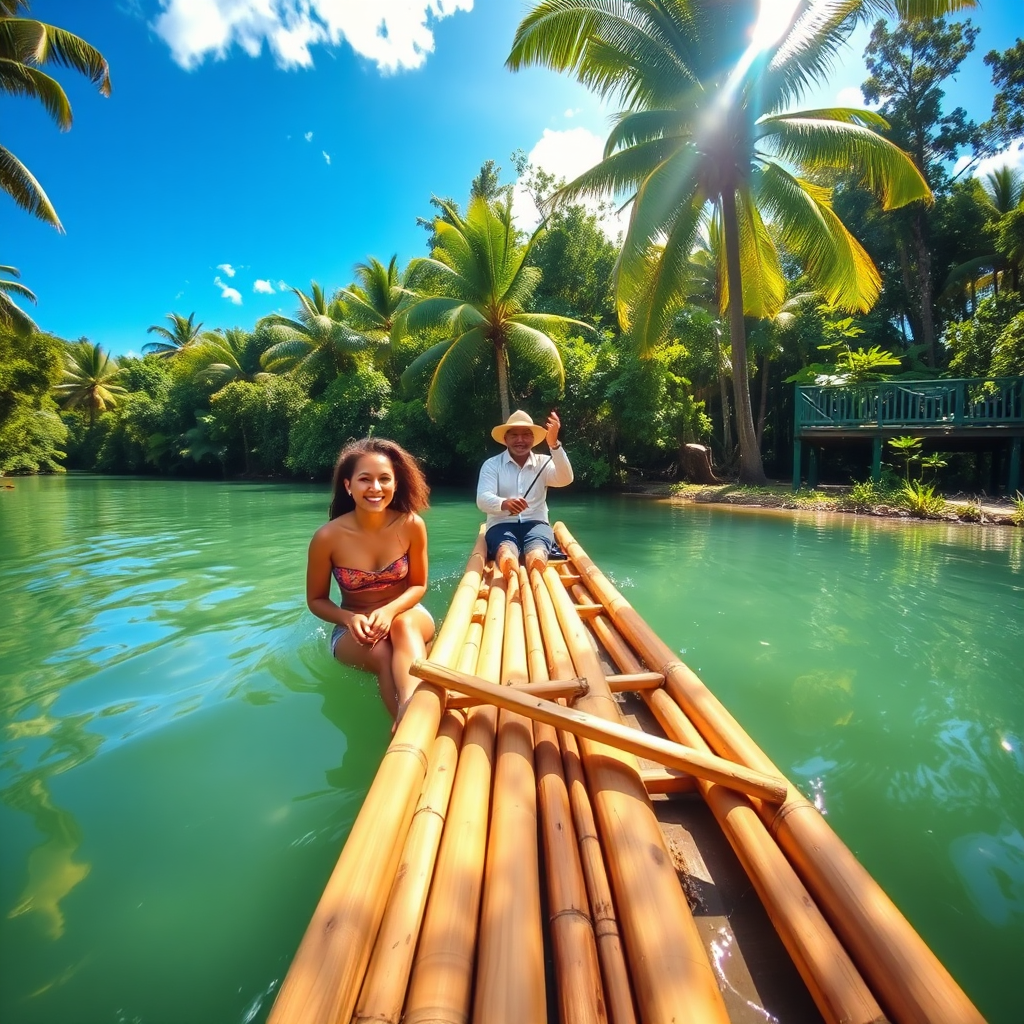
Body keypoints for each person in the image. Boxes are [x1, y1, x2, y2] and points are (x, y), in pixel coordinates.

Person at [306, 437, 434, 723]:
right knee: (382, 654)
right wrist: (349, 618)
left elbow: (418, 586)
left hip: (407, 613)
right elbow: (315, 600)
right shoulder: (327, 538)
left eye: (384, 479)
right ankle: (404, 724)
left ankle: (412, 713)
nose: (375, 488)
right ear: (348, 486)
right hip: (353, 627)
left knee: (402, 626)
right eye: (365, 479)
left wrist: (389, 611)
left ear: (396, 484)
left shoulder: (411, 524)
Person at [476, 409, 573, 578]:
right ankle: (510, 570)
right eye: (514, 435)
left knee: (537, 552)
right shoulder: (491, 465)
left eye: (526, 435)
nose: (520, 440)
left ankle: (535, 567)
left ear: (533, 439)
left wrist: (554, 445)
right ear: (505, 439)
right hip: (501, 524)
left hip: (537, 524)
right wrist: (504, 503)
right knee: (506, 552)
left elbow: (565, 479)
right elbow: (482, 499)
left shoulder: (544, 462)